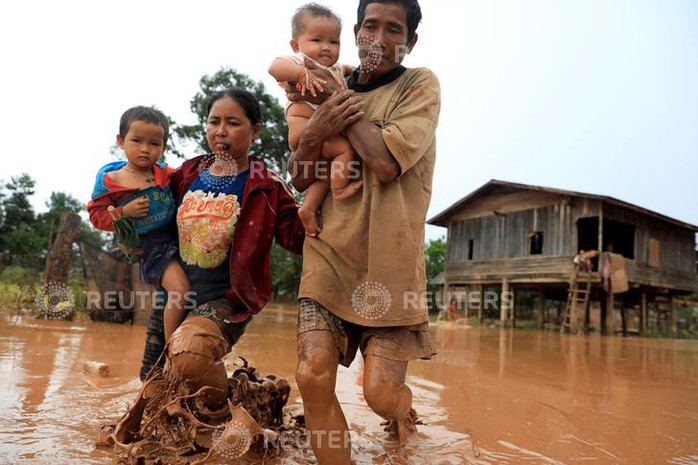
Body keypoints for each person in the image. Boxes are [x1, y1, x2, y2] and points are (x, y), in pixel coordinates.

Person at [287, 1, 440, 463]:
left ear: (409, 42)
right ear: (354, 32)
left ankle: (404, 412)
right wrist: (316, 129)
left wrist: (336, 110)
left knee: (380, 394)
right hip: (329, 256)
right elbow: (299, 174)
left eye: (392, 29)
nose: (378, 37)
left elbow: (385, 163)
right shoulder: (328, 83)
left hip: (390, 268)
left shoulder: (419, 85)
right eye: (369, 26)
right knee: (312, 374)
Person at [139, 88, 306, 392]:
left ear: (254, 130)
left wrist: (317, 209)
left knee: (189, 356)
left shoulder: (267, 186)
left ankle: (234, 405)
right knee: (153, 386)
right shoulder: (186, 174)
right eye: (214, 121)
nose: (220, 131)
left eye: (232, 123)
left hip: (225, 302)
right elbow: (156, 224)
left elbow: (297, 240)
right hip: (174, 297)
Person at [88, 106, 190, 343]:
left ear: (163, 146)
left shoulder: (167, 174)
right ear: (121, 141)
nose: (145, 149)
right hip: (151, 246)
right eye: (137, 141)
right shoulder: (111, 181)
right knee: (180, 290)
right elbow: (97, 217)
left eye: (154, 143)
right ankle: (172, 350)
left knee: (194, 288)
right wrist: (124, 211)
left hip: (179, 237)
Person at [268, 3, 362, 237]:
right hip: (303, 129)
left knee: (326, 170)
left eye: (334, 42)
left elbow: (350, 69)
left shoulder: (335, 69)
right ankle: (339, 191)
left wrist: (357, 72)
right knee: (344, 150)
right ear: (295, 44)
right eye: (317, 40)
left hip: (321, 135)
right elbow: (274, 67)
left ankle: (308, 208)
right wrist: (302, 76)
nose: (326, 48)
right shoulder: (301, 63)